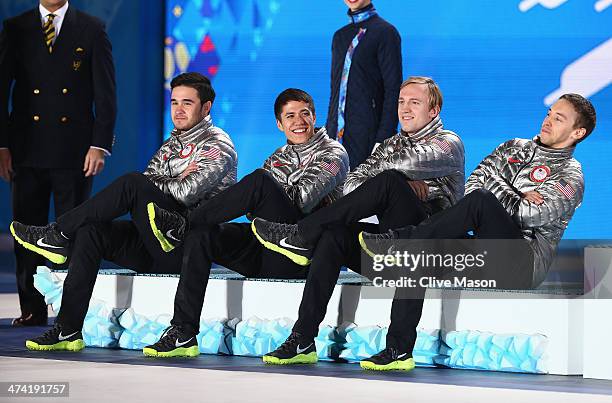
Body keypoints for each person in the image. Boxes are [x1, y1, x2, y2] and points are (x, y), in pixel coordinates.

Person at [359, 93, 595, 367]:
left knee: (482, 201)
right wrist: (516, 193)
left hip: (523, 262)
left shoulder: (570, 175)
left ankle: (399, 240)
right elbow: (472, 185)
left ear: (578, 132)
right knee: (422, 251)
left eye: (558, 118)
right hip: (487, 250)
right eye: (549, 113)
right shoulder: (513, 148)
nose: (548, 121)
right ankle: (397, 351)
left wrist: (498, 188)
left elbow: (531, 215)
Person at [9, 72, 237, 352]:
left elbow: (186, 192)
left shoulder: (218, 144)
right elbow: (154, 179)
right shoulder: (171, 145)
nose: (178, 109)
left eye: (187, 103)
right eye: (174, 101)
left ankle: (57, 233)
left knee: (132, 182)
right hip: (153, 242)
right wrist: (170, 179)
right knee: (91, 231)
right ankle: (67, 329)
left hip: (184, 247)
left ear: (206, 107)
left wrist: (162, 181)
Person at [250, 77, 464, 369]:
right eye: (401, 102)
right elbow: (352, 185)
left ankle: (399, 349)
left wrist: (392, 178)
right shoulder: (390, 144)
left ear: (434, 110)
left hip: (428, 249)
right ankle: (302, 338)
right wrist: (401, 181)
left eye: (414, 102)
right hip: (384, 246)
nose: (405, 108)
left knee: (390, 182)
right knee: (334, 235)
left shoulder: (449, 143)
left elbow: (403, 166)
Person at [142, 88, 349, 357]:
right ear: (279, 124)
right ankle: (183, 331)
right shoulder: (277, 157)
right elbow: (254, 214)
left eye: (304, 114)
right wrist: (264, 198)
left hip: (300, 252)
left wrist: (269, 192)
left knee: (260, 182)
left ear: (314, 116)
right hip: (267, 245)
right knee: (203, 234)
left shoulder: (333, 153)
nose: (298, 122)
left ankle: (182, 225)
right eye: (290, 116)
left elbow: (302, 200)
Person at [0, 0, 117, 326]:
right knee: (26, 229)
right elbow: (1, 90)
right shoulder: (16, 27)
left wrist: (99, 145)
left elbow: (105, 93)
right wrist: (2, 144)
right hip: (26, 149)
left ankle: (72, 311)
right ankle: (32, 308)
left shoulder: (92, 27)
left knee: (74, 232)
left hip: (75, 151)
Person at [327, 0, 402, 168]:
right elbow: (335, 92)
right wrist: (327, 133)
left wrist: (384, 138)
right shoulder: (340, 36)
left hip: (367, 135)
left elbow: (393, 90)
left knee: (361, 191)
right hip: (335, 136)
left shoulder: (386, 33)